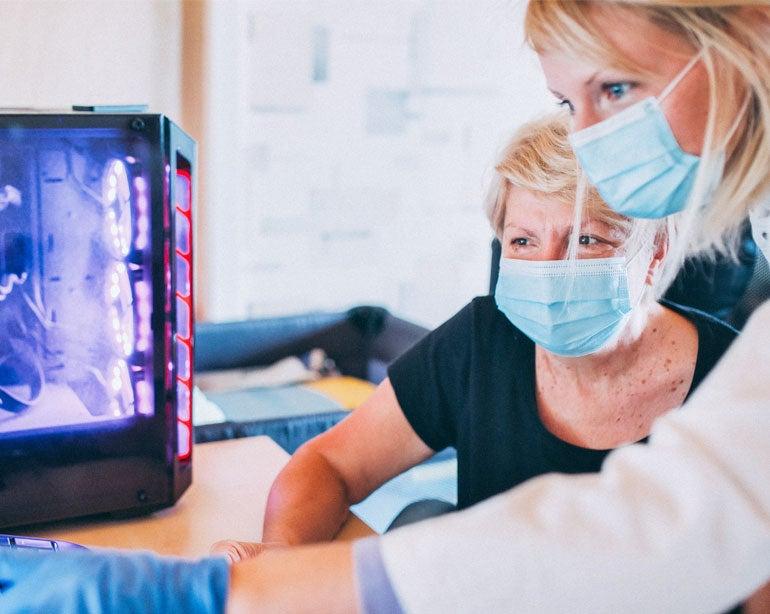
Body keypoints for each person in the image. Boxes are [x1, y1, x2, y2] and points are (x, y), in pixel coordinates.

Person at [1, 1, 768, 612]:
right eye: (569, 101)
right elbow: (683, 520)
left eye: (618, 90)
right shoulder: (486, 342)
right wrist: (280, 576)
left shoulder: (730, 359)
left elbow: (670, 536)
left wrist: (231, 596)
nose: (593, 139)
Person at [210, 113, 736, 556]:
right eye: (524, 240)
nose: (550, 268)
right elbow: (329, 464)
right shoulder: (485, 340)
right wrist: (281, 564)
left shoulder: (736, 380)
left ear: (656, 252)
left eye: (586, 239)